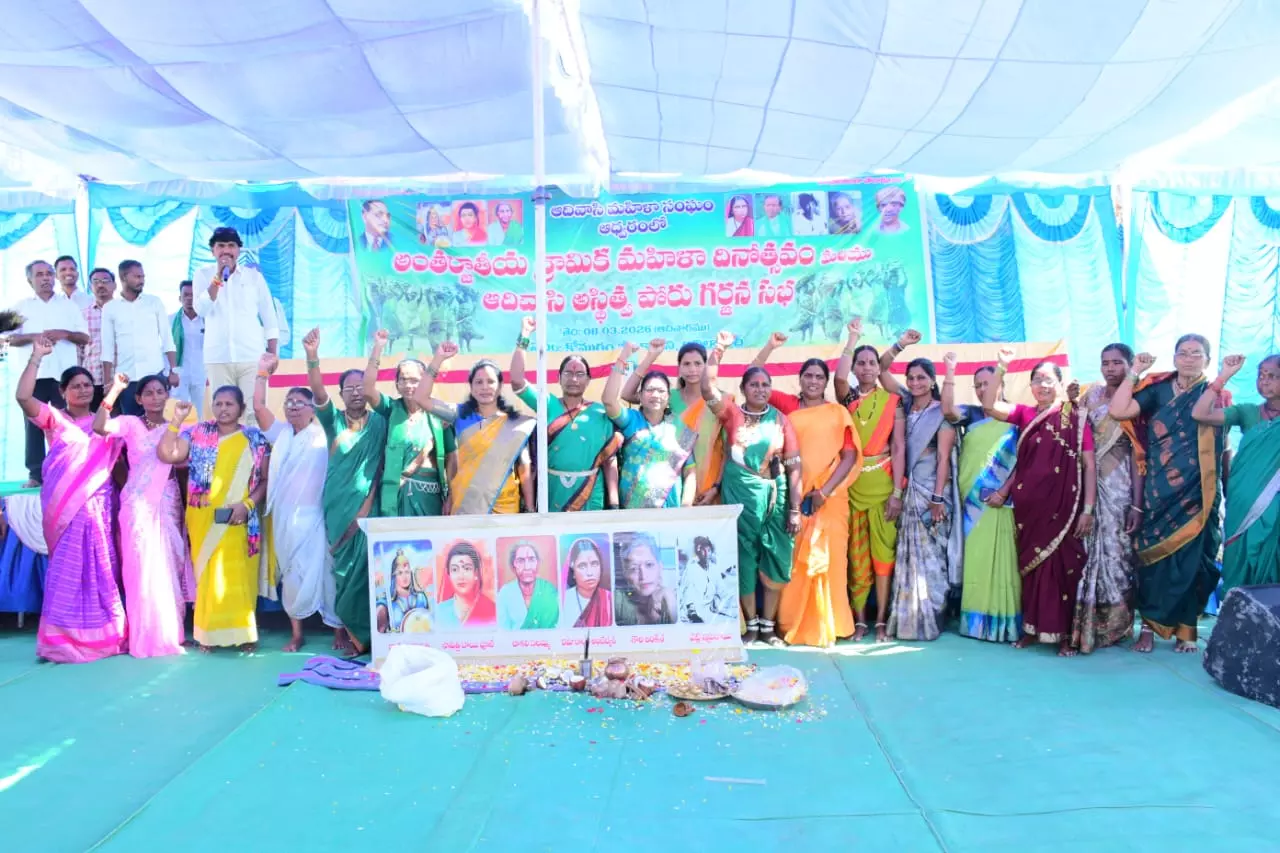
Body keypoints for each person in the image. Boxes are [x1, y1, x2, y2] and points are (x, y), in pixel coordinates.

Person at [1109, 334, 1226, 653]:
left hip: (1200, 491)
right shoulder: (1157, 390)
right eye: (1182, 353)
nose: (1189, 359)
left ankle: (1186, 629)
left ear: (1207, 359)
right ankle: (1147, 627)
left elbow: (1223, 448)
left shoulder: (1216, 394)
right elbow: (1119, 410)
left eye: (1196, 354)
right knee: (1153, 559)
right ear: (1174, 358)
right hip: (1160, 490)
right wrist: (1134, 371)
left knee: (1194, 561)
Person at [16, 340, 126, 662]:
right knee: (66, 572)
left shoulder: (107, 424)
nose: (82, 390)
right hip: (65, 512)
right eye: (75, 386)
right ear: (62, 391)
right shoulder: (55, 420)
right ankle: (60, 639)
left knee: (101, 571)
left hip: (99, 509)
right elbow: (23, 397)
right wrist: (37, 356)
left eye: (87, 385)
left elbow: (117, 469)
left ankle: (105, 636)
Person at [751, 331, 861, 648]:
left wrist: (824, 492)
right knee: (795, 564)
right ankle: (791, 624)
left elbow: (849, 455)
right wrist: (769, 347)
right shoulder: (786, 405)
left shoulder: (837, 411)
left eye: (818, 376)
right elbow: (752, 376)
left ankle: (833, 624)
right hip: (794, 498)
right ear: (800, 380)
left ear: (825, 382)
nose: (813, 381)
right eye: (808, 376)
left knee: (833, 564)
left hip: (831, 498)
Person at [982, 352, 1097, 656]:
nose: (1043, 385)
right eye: (1038, 380)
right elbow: (989, 405)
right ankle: (1031, 628)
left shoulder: (1076, 417)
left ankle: (1063, 636)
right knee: (1031, 569)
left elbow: (1089, 465)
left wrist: (1088, 509)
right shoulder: (1024, 414)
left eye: (1049, 380)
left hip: (1066, 507)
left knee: (1064, 568)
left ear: (1059, 384)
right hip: (1029, 508)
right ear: (1030, 386)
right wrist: (1002, 367)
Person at [702, 331, 801, 645]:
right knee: (744, 556)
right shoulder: (733, 414)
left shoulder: (782, 420)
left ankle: (770, 626)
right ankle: (753, 625)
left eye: (765, 384)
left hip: (776, 496)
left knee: (776, 555)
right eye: (754, 384)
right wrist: (719, 350)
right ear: (743, 390)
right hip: (740, 494)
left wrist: (795, 509)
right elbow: (707, 387)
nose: (761, 389)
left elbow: (794, 465)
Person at [157, 389, 269, 652]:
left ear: (241, 409)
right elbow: (167, 454)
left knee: (239, 576)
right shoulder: (196, 433)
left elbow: (265, 479)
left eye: (229, 404)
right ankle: (208, 635)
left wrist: (247, 504)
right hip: (203, 516)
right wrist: (176, 420)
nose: (222, 408)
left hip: (240, 517)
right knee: (208, 577)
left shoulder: (254, 438)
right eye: (217, 403)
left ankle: (244, 634)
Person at [93, 373, 194, 658]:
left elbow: (174, 459)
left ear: (167, 395)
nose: (154, 397)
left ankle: (170, 632)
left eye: (159, 392)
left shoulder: (180, 428)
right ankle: (145, 635)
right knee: (141, 566)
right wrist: (114, 391)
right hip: (137, 501)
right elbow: (99, 426)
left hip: (168, 499)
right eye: (148, 393)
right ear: (138, 399)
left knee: (168, 563)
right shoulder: (130, 424)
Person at [301, 328, 386, 655]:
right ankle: (354, 635)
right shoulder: (331, 420)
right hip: (338, 507)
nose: (355, 393)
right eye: (348, 388)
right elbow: (317, 392)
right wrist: (312, 356)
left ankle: (373, 636)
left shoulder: (381, 420)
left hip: (370, 507)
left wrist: (377, 349)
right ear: (340, 394)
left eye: (359, 386)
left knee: (369, 569)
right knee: (344, 571)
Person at [878, 330, 962, 641]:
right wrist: (900, 344)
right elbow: (882, 368)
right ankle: (907, 619)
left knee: (931, 558)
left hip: (931, 493)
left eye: (921, 378)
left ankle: (930, 619)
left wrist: (938, 498)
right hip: (906, 490)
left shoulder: (941, 410)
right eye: (911, 378)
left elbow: (943, 458)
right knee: (908, 554)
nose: (915, 383)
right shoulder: (902, 402)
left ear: (932, 380)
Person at [253, 354, 341, 652]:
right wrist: (262, 373)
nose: (291, 406)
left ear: (313, 408)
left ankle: (338, 630)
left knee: (325, 573)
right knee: (291, 573)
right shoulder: (282, 435)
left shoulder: (324, 435)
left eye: (298, 402)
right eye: (288, 402)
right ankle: (297, 634)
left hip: (316, 516)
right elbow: (258, 407)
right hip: (285, 517)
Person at [833, 319, 905, 642]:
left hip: (884, 486)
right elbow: (837, 376)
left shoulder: (892, 401)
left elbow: (899, 446)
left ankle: (880, 619)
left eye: (871, 362)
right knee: (856, 556)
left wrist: (898, 493)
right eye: (859, 363)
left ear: (879, 368)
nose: (865, 367)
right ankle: (859, 619)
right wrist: (852, 339)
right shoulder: (847, 399)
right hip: (852, 486)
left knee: (883, 555)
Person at [942, 354, 1021, 643]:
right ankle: (975, 624)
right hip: (973, 503)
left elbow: (1022, 461)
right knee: (975, 559)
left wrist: (1004, 491)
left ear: (1000, 384)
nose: (981, 389)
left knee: (1004, 561)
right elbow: (948, 409)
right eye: (977, 385)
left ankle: (1005, 624)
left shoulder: (1016, 415)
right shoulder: (973, 415)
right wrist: (950, 370)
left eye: (987, 383)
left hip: (1003, 501)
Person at [1073, 344, 1142, 653]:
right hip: (1088, 481)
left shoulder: (1138, 397)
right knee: (1088, 549)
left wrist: (1137, 503)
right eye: (1105, 363)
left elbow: (1140, 452)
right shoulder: (1090, 396)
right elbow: (1077, 434)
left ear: (1129, 365)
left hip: (1120, 483)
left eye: (1117, 363)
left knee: (1117, 551)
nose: (1110, 368)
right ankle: (1090, 620)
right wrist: (1071, 402)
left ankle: (1118, 624)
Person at [510, 317, 620, 511]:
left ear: (588, 380)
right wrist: (525, 336)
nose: (574, 379)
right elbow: (517, 381)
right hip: (552, 491)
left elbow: (610, 460)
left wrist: (614, 503)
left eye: (580, 374)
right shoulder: (547, 404)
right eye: (568, 373)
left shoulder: (601, 413)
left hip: (590, 493)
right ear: (558, 378)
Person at [1192, 353, 1280, 592]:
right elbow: (1200, 413)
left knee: (1272, 560)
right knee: (1236, 559)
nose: (1264, 382)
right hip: (1242, 500)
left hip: (1275, 503)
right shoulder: (1248, 412)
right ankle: (1236, 621)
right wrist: (1224, 376)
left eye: (1272, 377)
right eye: (1261, 376)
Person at [415, 344, 535, 514]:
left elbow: (524, 467)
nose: (485, 387)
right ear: (471, 387)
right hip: (467, 503)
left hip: (505, 505)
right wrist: (438, 359)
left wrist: (530, 508)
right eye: (479, 382)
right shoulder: (459, 414)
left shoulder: (514, 423)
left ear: (500, 386)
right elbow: (420, 398)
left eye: (490, 381)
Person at [9, 260, 90, 486]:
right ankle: (36, 475)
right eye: (39, 275)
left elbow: (85, 338)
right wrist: (33, 337)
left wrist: (63, 333)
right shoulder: (21, 306)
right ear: (29, 280)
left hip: (64, 377)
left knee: (66, 425)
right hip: (34, 374)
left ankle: (69, 470)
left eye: (49, 274)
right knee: (33, 425)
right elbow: (7, 338)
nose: (45, 278)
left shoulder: (68, 306)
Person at [193, 227, 279, 425]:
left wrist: (272, 354)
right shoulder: (202, 275)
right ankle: (227, 456)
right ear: (213, 251)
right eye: (220, 246)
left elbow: (269, 317)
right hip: (218, 358)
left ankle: (255, 456)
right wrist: (217, 278)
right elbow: (201, 309)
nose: (226, 251)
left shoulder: (253, 277)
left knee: (253, 413)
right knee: (225, 416)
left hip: (252, 357)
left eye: (231, 246)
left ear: (238, 250)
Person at [364, 330, 455, 518]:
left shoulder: (438, 414)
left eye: (414, 380)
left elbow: (452, 458)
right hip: (395, 494)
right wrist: (378, 348)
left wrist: (451, 496)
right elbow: (367, 389)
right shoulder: (391, 409)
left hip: (429, 497)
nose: (408, 385)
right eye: (403, 380)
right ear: (396, 384)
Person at [624, 339, 724, 506]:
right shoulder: (667, 397)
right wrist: (651, 356)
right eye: (686, 364)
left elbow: (727, 449)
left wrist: (716, 487)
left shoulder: (720, 400)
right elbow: (627, 394)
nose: (692, 369)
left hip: (710, 487)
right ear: (679, 368)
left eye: (698, 363)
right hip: (672, 488)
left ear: (706, 366)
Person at [603, 344, 697, 508]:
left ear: (668, 397)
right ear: (640, 395)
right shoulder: (631, 420)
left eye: (661, 391)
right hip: (633, 508)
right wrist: (622, 358)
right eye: (650, 390)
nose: (655, 395)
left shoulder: (679, 428)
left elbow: (690, 471)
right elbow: (609, 401)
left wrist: (686, 508)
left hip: (670, 510)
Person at [101, 260, 179, 416]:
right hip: (126, 378)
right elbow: (107, 347)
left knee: (158, 421)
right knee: (132, 424)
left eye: (142, 276)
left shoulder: (154, 302)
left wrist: (173, 370)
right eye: (137, 276)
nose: (141, 281)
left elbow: (167, 338)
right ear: (123, 277)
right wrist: (107, 381)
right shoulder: (110, 307)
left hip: (154, 373)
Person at [615, 533, 677, 626]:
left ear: (660, 567)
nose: (643, 576)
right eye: (634, 568)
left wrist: (670, 603)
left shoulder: (674, 598)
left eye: (649, 565)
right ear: (626, 574)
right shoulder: (617, 601)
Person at [434, 541, 498, 629]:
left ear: (476, 573)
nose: (461, 576)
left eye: (467, 568)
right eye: (455, 569)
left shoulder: (492, 610)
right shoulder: (439, 611)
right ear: (449, 575)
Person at [497, 540, 559, 630]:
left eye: (531, 560)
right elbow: (502, 631)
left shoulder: (549, 591)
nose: (527, 567)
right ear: (513, 565)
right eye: (520, 561)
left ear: (537, 563)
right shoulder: (505, 593)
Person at [79, 268, 116, 410]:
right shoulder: (82, 315)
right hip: (92, 378)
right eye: (96, 282)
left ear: (114, 285)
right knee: (94, 424)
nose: (101, 285)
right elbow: (79, 350)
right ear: (90, 287)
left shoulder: (124, 312)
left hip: (120, 378)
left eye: (106, 281)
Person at [677, 536, 736, 624]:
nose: (706, 554)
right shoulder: (691, 568)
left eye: (708, 551)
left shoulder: (714, 569)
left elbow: (722, 591)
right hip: (694, 613)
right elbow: (685, 593)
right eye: (703, 551)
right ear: (698, 551)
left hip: (710, 611)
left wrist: (718, 599)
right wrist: (691, 612)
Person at [171, 280, 207, 418]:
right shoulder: (171, 320)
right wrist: (171, 371)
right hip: (179, 373)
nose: (189, 298)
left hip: (202, 373)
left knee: (201, 412)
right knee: (178, 411)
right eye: (185, 295)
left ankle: (201, 438)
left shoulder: (208, 320)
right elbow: (166, 349)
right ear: (180, 298)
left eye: (193, 295)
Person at [559, 538, 613, 628]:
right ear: (573, 572)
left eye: (594, 564)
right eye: (582, 566)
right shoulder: (563, 601)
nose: (589, 572)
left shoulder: (609, 599)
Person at [375, 550, 430, 632]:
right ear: (394, 576)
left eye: (407, 572)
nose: (404, 576)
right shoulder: (385, 605)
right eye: (400, 573)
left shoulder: (421, 598)